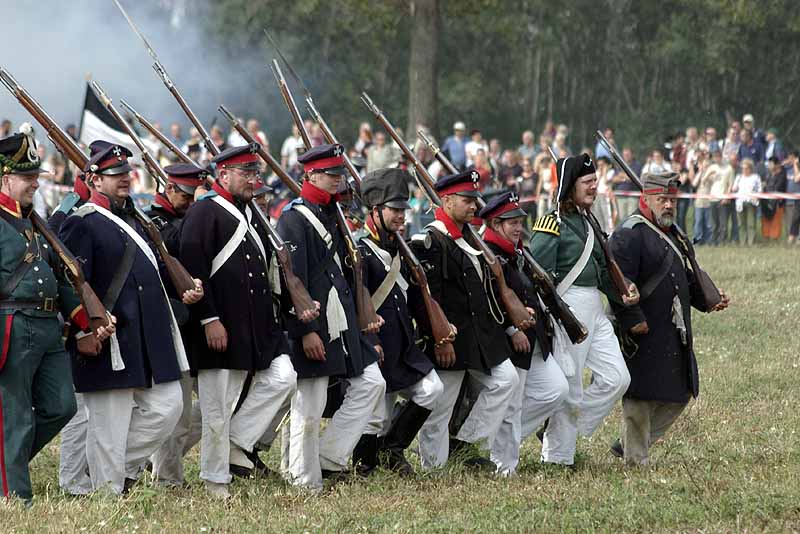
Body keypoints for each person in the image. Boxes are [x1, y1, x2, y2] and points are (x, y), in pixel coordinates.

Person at [59, 140, 204, 495]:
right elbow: (72, 283)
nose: (124, 179)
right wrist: (82, 329)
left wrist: (183, 285)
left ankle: (106, 472)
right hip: (111, 334)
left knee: (168, 409)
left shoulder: (134, 219)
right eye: (114, 174)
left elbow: (152, 267)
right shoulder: (82, 223)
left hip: (148, 335)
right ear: (94, 179)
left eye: (125, 172)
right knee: (109, 424)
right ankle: (107, 495)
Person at [179, 144, 303, 498]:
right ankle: (216, 482)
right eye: (247, 174)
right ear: (224, 175)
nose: (255, 180)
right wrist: (209, 319)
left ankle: (238, 441)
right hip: (220, 327)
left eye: (256, 173)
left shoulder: (247, 213)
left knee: (284, 377)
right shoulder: (205, 213)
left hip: (254, 329)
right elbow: (193, 268)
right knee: (216, 409)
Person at [0, 128, 112, 504]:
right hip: (12, 327)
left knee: (61, 405)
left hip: (48, 328)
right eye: (28, 177)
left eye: (35, 176)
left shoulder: (33, 221)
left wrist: (88, 319)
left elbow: (58, 275)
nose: (35, 183)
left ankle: (6, 465)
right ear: (5, 177)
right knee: (15, 417)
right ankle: (17, 496)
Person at [276, 143, 386, 492]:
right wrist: (306, 330)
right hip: (317, 321)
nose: (337, 180)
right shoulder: (294, 218)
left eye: (339, 174)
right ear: (310, 174)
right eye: (331, 174)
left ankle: (330, 457)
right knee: (309, 403)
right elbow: (294, 280)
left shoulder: (332, 212)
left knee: (372, 383)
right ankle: (302, 478)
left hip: (343, 319)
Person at [609, 172, 729, 464]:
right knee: (639, 396)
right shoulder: (629, 234)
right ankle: (635, 459)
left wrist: (707, 299)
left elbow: (683, 276)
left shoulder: (670, 231)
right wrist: (633, 320)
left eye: (671, 200)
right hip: (642, 329)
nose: (667, 205)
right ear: (645, 199)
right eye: (661, 199)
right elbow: (618, 285)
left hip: (670, 328)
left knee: (682, 390)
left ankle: (628, 445)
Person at [529, 153, 636, 467]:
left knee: (618, 378)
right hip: (568, 307)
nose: (594, 187)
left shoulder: (590, 221)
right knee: (572, 387)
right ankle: (557, 458)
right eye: (587, 182)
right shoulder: (551, 223)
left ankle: (562, 431)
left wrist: (623, 288)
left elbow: (603, 272)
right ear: (569, 186)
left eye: (595, 181)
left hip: (595, 308)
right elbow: (538, 273)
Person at [410, 170, 520, 470]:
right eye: (467, 200)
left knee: (506, 380)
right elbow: (429, 299)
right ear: (446, 201)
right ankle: (433, 467)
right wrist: (441, 340)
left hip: (482, 336)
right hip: (451, 337)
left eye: (474, 199)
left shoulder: (470, 238)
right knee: (440, 409)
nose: (474, 206)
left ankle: (466, 445)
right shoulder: (430, 241)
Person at [351, 168, 445, 475]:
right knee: (375, 415)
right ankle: (364, 465)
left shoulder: (401, 248)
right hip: (374, 343)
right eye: (395, 210)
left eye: (403, 210)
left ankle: (391, 449)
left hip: (404, 346)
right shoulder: (359, 249)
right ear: (375, 211)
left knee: (432, 389)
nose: (401, 216)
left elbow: (417, 297)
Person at [477, 192, 568, 476]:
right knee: (512, 405)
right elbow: (489, 299)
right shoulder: (488, 254)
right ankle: (504, 465)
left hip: (534, 339)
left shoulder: (516, 252)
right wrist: (512, 328)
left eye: (519, 221)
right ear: (494, 224)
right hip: (511, 341)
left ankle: (491, 444)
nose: (518, 227)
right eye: (511, 222)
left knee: (556, 390)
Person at [145, 163, 207, 489]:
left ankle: (157, 462)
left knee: (213, 409)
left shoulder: (188, 218)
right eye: (186, 195)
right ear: (169, 189)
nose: (191, 202)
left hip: (199, 327)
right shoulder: (153, 222)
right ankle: (167, 479)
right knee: (177, 415)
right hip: (175, 329)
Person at [732, 158, 761, 245]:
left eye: (746, 168)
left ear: (750, 168)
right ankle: (742, 241)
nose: (744, 170)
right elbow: (734, 188)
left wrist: (757, 196)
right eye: (743, 168)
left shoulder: (755, 177)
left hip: (751, 202)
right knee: (741, 224)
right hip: (740, 202)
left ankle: (751, 241)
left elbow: (759, 189)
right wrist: (734, 188)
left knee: (751, 223)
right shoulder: (739, 177)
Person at [761, 156, 787, 241]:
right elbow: (764, 185)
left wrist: (768, 189)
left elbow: (778, 187)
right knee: (765, 219)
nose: (769, 165)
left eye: (771, 164)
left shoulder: (782, 174)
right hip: (766, 200)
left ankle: (774, 237)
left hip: (777, 202)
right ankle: (766, 236)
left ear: (777, 165)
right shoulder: (767, 174)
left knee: (776, 219)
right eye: (768, 164)